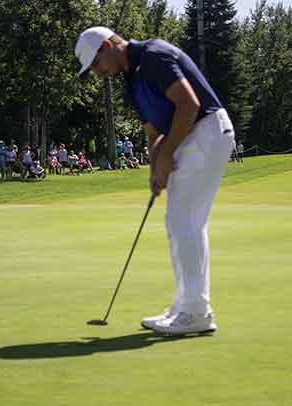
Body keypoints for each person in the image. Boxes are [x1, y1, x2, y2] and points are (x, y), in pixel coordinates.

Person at [76, 27, 235, 334]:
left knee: (183, 221)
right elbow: (153, 129)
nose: (98, 73)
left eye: (96, 64)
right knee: (181, 222)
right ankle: (186, 306)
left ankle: (196, 311)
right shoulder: (130, 78)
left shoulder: (153, 55)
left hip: (206, 131)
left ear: (107, 45)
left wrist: (167, 154)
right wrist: (155, 165)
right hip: (194, 137)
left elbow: (189, 105)